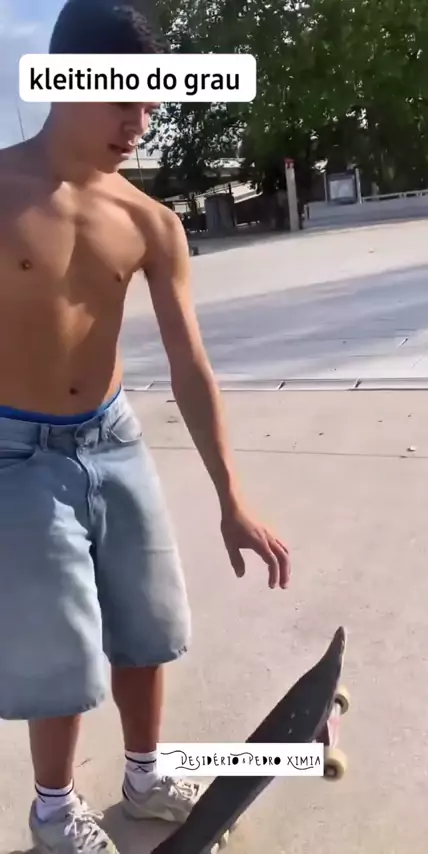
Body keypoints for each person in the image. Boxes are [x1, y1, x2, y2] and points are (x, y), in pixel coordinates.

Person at [0, 1, 291, 852]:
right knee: (61, 646)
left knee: (147, 623)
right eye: (125, 97)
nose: (142, 120)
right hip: (17, 455)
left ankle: (145, 774)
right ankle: (54, 812)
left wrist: (232, 497)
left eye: (152, 99)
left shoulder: (150, 221)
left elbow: (190, 363)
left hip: (114, 439)